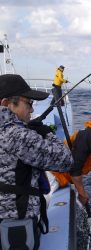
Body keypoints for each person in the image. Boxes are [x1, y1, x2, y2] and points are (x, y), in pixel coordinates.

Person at [0, 74, 73, 250]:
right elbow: (66, 160)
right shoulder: (18, 136)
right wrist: (46, 132)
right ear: (6, 104)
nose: (32, 111)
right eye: (29, 103)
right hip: (15, 228)